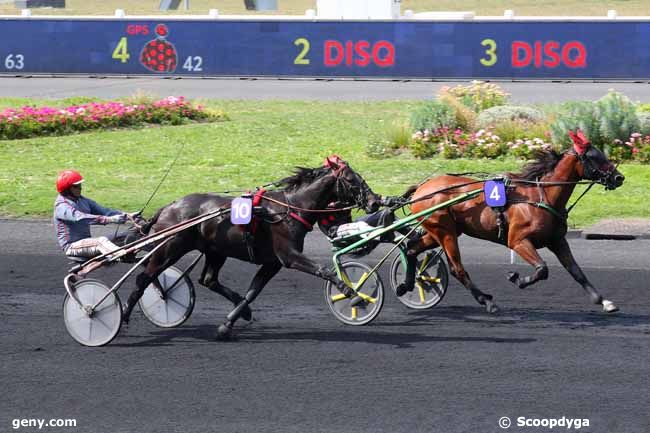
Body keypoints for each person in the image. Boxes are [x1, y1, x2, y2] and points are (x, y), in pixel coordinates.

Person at [53, 169, 137, 261]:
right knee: (101, 242)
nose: (80, 188)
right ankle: (122, 255)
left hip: (87, 242)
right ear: (67, 189)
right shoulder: (61, 206)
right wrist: (110, 219)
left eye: (80, 185)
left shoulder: (82, 200)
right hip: (72, 247)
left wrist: (127, 216)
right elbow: (81, 218)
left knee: (123, 236)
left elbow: (105, 211)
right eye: (76, 186)